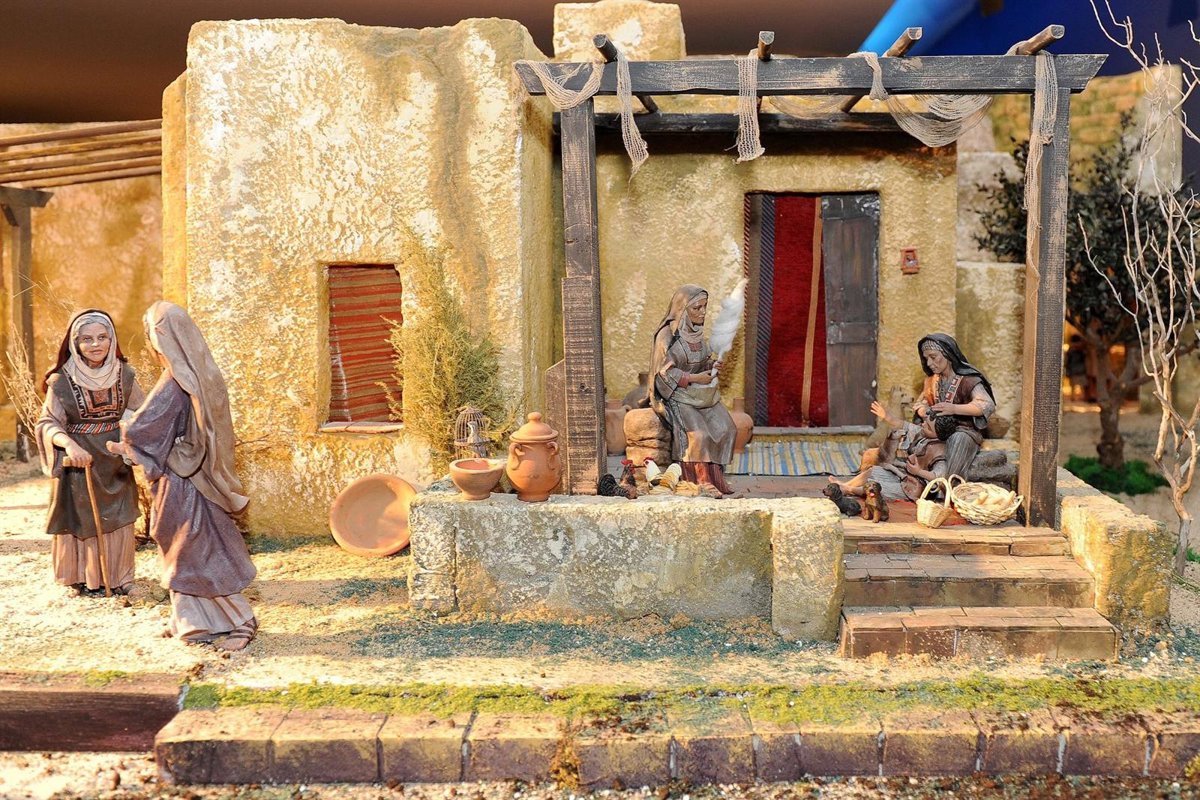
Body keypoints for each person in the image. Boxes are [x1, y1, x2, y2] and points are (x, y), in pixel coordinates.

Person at [106, 302, 257, 651]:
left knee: (197, 551)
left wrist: (125, 431)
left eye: (151, 333)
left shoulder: (175, 381)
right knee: (185, 549)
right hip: (198, 476)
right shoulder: (202, 374)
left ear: (159, 338)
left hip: (184, 482)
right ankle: (189, 621)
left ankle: (242, 620)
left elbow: (144, 428)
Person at [36, 309, 144, 596]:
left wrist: (130, 437)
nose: (95, 344)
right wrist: (69, 445)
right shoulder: (61, 380)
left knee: (120, 515)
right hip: (78, 461)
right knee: (79, 517)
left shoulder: (125, 375)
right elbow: (48, 422)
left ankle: (121, 576)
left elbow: (142, 413)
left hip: (114, 460)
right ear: (75, 343)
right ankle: (78, 576)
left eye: (102, 337)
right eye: (86, 339)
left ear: (112, 339)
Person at [649, 285, 737, 497]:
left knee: (727, 427)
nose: (703, 312)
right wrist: (695, 378)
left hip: (700, 395)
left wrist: (712, 366)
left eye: (705, 306)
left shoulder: (696, 333)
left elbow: (700, 363)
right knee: (699, 434)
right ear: (682, 309)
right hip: (678, 396)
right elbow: (664, 373)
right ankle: (699, 481)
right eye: (697, 308)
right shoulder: (667, 336)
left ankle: (715, 477)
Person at [832, 401, 957, 502]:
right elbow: (903, 425)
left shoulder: (940, 452)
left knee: (878, 488)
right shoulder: (923, 433)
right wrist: (886, 416)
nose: (923, 425)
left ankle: (849, 490)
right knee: (873, 471)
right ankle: (846, 484)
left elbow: (938, 476)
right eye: (925, 422)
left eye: (928, 427)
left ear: (939, 434)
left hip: (915, 488)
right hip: (905, 475)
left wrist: (919, 472)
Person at [912, 333, 996, 480]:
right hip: (935, 429)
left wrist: (954, 409)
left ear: (948, 354)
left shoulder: (968, 380)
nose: (929, 363)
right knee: (912, 435)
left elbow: (986, 405)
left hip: (963, 430)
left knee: (957, 439)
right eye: (926, 359)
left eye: (933, 357)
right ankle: (919, 479)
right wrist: (924, 411)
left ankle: (952, 483)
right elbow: (921, 403)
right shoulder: (931, 382)